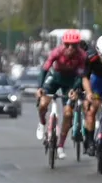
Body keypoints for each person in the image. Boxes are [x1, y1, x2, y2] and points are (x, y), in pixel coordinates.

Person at [37, 29, 87, 160]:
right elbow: (45, 69)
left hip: (70, 81)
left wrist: (75, 89)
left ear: (78, 45)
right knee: (43, 104)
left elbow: (81, 75)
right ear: (63, 44)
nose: (70, 48)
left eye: (74, 45)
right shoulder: (57, 52)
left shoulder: (82, 56)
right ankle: (42, 123)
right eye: (67, 45)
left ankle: (60, 145)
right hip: (55, 77)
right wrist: (40, 87)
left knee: (68, 113)